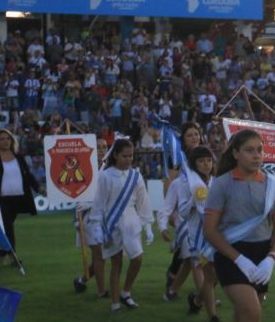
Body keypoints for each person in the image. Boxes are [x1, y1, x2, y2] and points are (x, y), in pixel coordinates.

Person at [203, 129, 275, 322]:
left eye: (260, 150)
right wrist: (237, 258)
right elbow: (210, 230)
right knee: (252, 312)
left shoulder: (272, 185)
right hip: (231, 257)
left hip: (262, 257)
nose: (256, 155)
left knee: (244, 316)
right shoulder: (222, 183)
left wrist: (271, 259)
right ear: (236, 153)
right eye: (250, 150)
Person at [88, 139, 154, 312]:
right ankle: (115, 302)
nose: (128, 159)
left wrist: (147, 226)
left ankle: (126, 291)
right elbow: (99, 203)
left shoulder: (136, 176)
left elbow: (143, 201)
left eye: (131, 156)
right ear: (115, 155)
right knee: (116, 262)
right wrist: (97, 228)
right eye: (124, 156)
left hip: (132, 222)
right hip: (111, 222)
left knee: (137, 259)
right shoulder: (106, 175)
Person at [174, 146, 219, 321]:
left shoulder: (217, 181)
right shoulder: (187, 185)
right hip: (198, 234)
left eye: (208, 160)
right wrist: (195, 199)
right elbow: (183, 212)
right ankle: (212, 315)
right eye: (201, 161)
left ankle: (197, 300)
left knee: (215, 277)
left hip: (216, 233)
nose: (206, 164)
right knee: (209, 275)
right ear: (194, 164)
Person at [0, 128, 41, 266]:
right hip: (0, 198)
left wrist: (39, 188)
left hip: (18, 197)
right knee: (8, 226)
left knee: (6, 227)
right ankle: (13, 256)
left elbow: (28, 175)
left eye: (8, 138)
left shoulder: (18, 156)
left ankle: (2, 254)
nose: (5, 141)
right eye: (2, 139)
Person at [163, 122, 203, 294]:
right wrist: (170, 212)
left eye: (196, 133)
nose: (194, 137)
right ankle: (204, 296)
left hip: (202, 211)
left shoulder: (205, 155)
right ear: (183, 140)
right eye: (190, 135)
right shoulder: (178, 158)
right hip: (183, 212)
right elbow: (170, 184)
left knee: (189, 257)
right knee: (195, 255)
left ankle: (172, 287)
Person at [73, 138, 109, 297]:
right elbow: (78, 194)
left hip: (107, 217)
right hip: (90, 217)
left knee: (103, 257)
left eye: (104, 147)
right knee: (99, 254)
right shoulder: (84, 168)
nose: (102, 150)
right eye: (98, 147)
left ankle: (81, 279)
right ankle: (102, 291)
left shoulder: (111, 168)